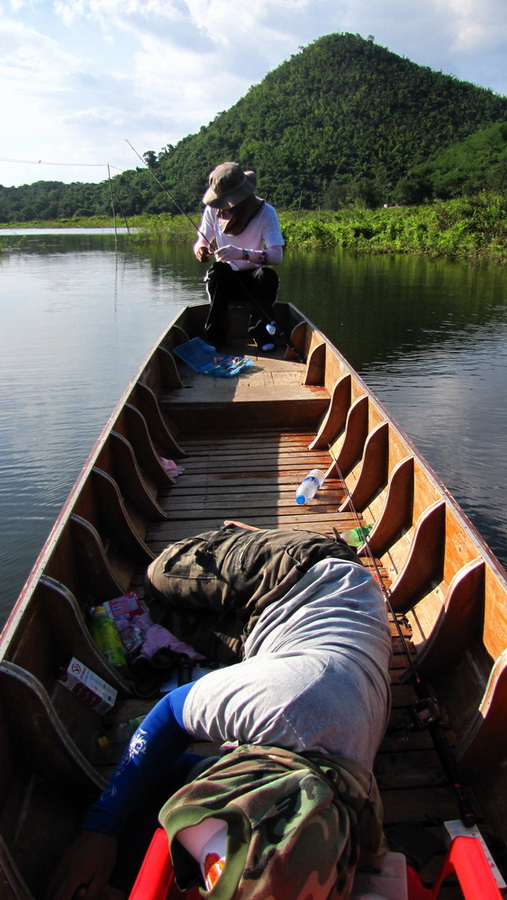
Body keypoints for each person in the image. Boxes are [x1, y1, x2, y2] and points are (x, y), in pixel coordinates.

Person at [50, 526, 392, 900]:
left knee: (166, 615)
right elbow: (170, 714)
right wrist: (100, 829)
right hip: (303, 569)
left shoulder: (343, 803)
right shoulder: (289, 708)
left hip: (283, 637)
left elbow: (189, 777)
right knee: (157, 581)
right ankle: (226, 541)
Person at [193, 162, 284, 350]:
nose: (224, 208)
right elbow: (201, 240)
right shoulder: (212, 210)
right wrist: (200, 250)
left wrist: (242, 254)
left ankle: (262, 335)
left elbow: (277, 256)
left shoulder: (266, 213)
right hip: (226, 280)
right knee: (219, 270)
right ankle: (215, 338)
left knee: (266, 275)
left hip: (253, 281)